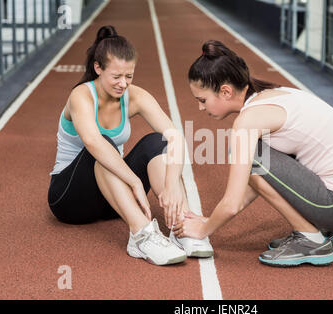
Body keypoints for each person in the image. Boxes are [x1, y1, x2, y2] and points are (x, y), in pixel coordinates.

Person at [173, 40, 333, 267]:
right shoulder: (272, 93)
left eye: (202, 100)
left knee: (247, 153)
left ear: (225, 91)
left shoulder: (249, 121)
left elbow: (232, 202)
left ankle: (311, 239)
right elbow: (261, 180)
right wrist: (210, 219)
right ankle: (318, 233)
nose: (201, 108)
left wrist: (203, 229)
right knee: (258, 156)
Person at [47, 25, 213, 266]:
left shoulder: (135, 96)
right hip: (70, 200)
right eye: (116, 76)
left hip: (114, 198)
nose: (123, 84)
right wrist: (134, 181)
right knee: (103, 146)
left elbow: (176, 137)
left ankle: (181, 224)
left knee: (158, 141)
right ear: (98, 68)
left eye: (129, 76)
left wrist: (172, 185)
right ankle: (141, 235)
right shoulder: (81, 97)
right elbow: (93, 142)